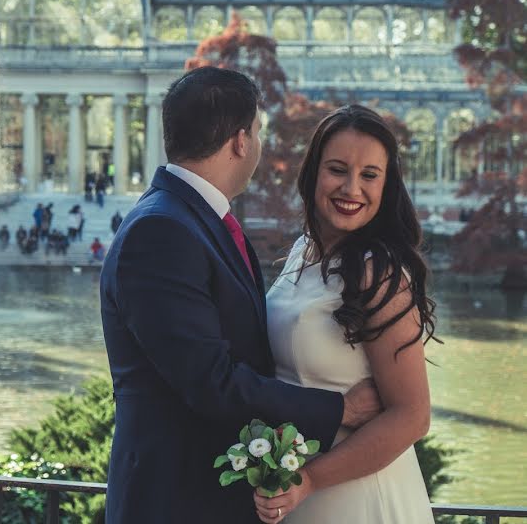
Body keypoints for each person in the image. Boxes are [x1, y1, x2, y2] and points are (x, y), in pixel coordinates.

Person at [100, 67, 381, 524]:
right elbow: (212, 381)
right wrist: (341, 407)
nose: (259, 145)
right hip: (177, 501)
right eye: (258, 132)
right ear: (239, 141)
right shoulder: (161, 230)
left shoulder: (195, 220)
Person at [254, 105, 437, 524]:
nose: (352, 188)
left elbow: (412, 416)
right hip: (296, 491)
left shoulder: (378, 272)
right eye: (338, 169)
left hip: (356, 496)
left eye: (369, 175)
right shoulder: (303, 250)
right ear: (313, 172)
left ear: (386, 185)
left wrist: (310, 481)